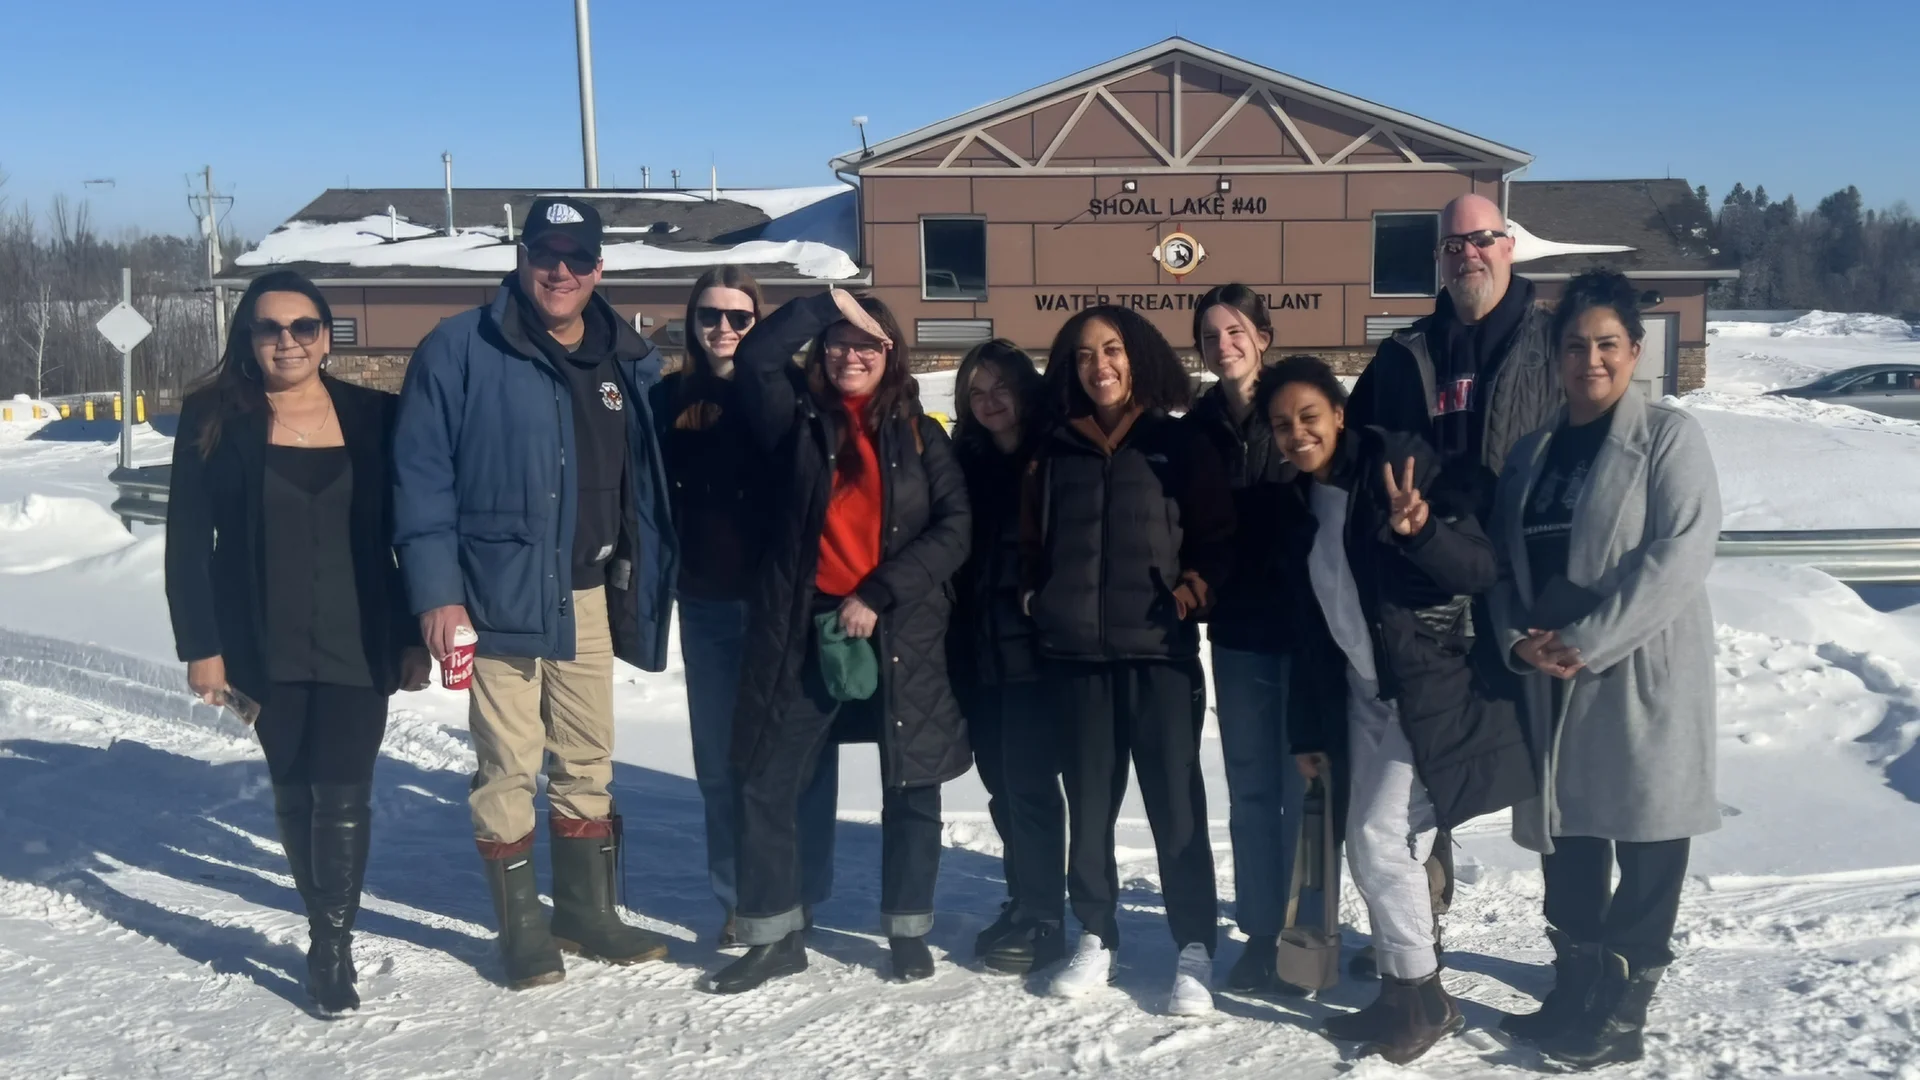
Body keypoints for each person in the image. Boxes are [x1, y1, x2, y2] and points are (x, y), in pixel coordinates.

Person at [393, 196, 678, 990]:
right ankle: (521, 928)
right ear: (522, 259)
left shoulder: (628, 357)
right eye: (545, 255)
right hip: (494, 594)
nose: (560, 272)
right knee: (508, 764)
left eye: (577, 258)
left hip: (588, 590)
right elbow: (420, 483)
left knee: (588, 757)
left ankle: (586, 914)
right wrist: (436, 595)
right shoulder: (459, 349)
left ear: (599, 268)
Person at [165, 269, 430, 1016]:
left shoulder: (377, 414)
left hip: (360, 634)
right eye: (269, 328)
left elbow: (405, 537)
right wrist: (201, 646)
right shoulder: (212, 415)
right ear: (248, 338)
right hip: (258, 639)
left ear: (326, 336)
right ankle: (324, 922)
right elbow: (187, 544)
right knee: (294, 785)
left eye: (303, 327)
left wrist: (414, 635)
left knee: (344, 791)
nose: (287, 341)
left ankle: (331, 943)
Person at [1266, 355, 1533, 1064]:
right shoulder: (1298, 503)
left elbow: (1479, 568)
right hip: (1360, 692)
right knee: (1369, 843)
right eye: (1283, 425)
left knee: (1385, 840)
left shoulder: (1398, 467)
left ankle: (1426, 998)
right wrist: (1308, 731)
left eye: (1309, 417)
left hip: (1428, 687)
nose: (1297, 434)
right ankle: (1395, 991)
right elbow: (1312, 632)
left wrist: (1421, 530)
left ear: (1339, 414)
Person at [704, 288, 971, 994]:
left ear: (893, 357)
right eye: (840, 341)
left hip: (900, 630)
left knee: (911, 784)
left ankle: (909, 931)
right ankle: (773, 935)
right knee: (767, 781)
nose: (852, 354)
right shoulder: (793, 418)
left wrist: (880, 592)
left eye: (869, 344)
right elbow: (759, 353)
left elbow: (954, 530)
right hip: (803, 629)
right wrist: (825, 303)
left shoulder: (922, 436)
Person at [1488, 270, 1722, 1069]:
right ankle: (1574, 985)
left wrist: (1586, 640)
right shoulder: (1530, 454)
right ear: (1555, 356)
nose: (1591, 358)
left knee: (1648, 831)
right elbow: (1500, 569)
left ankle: (1623, 1007)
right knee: (1571, 833)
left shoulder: (1667, 436)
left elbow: (1680, 556)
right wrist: (1516, 640)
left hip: (1637, 669)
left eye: (1607, 344)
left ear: (1634, 349)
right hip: (1549, 675)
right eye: (1576, 345)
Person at [1344, 191, 1563, 973]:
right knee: (1421, 759)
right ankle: (1419, 917)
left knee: (1547, 790)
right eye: (1451, 247)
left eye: (1479, 240)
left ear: (1509, 246)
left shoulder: (1553, 346)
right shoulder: (1405, 353)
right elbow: (1353, 450)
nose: (1465, 255)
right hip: (1426, 592)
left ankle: (1578, 956)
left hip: (1530, 591)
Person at [1022, 306, 1233, 1015]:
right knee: (1090, 807)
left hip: (1160, 657)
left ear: (1137, 357)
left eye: (1111, 350)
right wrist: (1035, 598)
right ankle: (1095, 934)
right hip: (1076, 657)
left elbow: (1215, 537)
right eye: (1083, 355)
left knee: (1176, 808)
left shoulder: (1179, 443)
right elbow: (1029, 544)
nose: (1099, 365)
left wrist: (1190, 593)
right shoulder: (1052, 450)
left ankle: (1194, 947)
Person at [650, 267, 838, 947]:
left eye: (738, 317)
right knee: (720, 763)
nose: (722, 330)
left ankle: (801, 891)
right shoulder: (670, 395)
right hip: (706, 605)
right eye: (709, 316)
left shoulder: (790, 393)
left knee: (799, 760)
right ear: (690, 320)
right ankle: (737, 897)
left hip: (785, 604)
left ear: (759, 324)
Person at [1183, 283, 1311, 994]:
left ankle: (1307, 928)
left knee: (1306, 788)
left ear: (1261, 334)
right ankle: (1262, 934)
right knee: (1253, 789)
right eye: (1209, 336)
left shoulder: (1295, 405)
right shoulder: (1196, 426)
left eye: (1234, 331)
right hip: (1237, 631)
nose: (1223, 345)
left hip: (1307, 625)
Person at [947, 339, 1064, 975]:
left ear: (1024, 388)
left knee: (1029, 785)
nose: (990, 402)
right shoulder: (964, 462)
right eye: (976, 391)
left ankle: (1046, 915)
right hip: (975, 651)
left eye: (1000, 387)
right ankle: (1024, 897)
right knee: (999, 787)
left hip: (1036, 654)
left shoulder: (1053, 457)